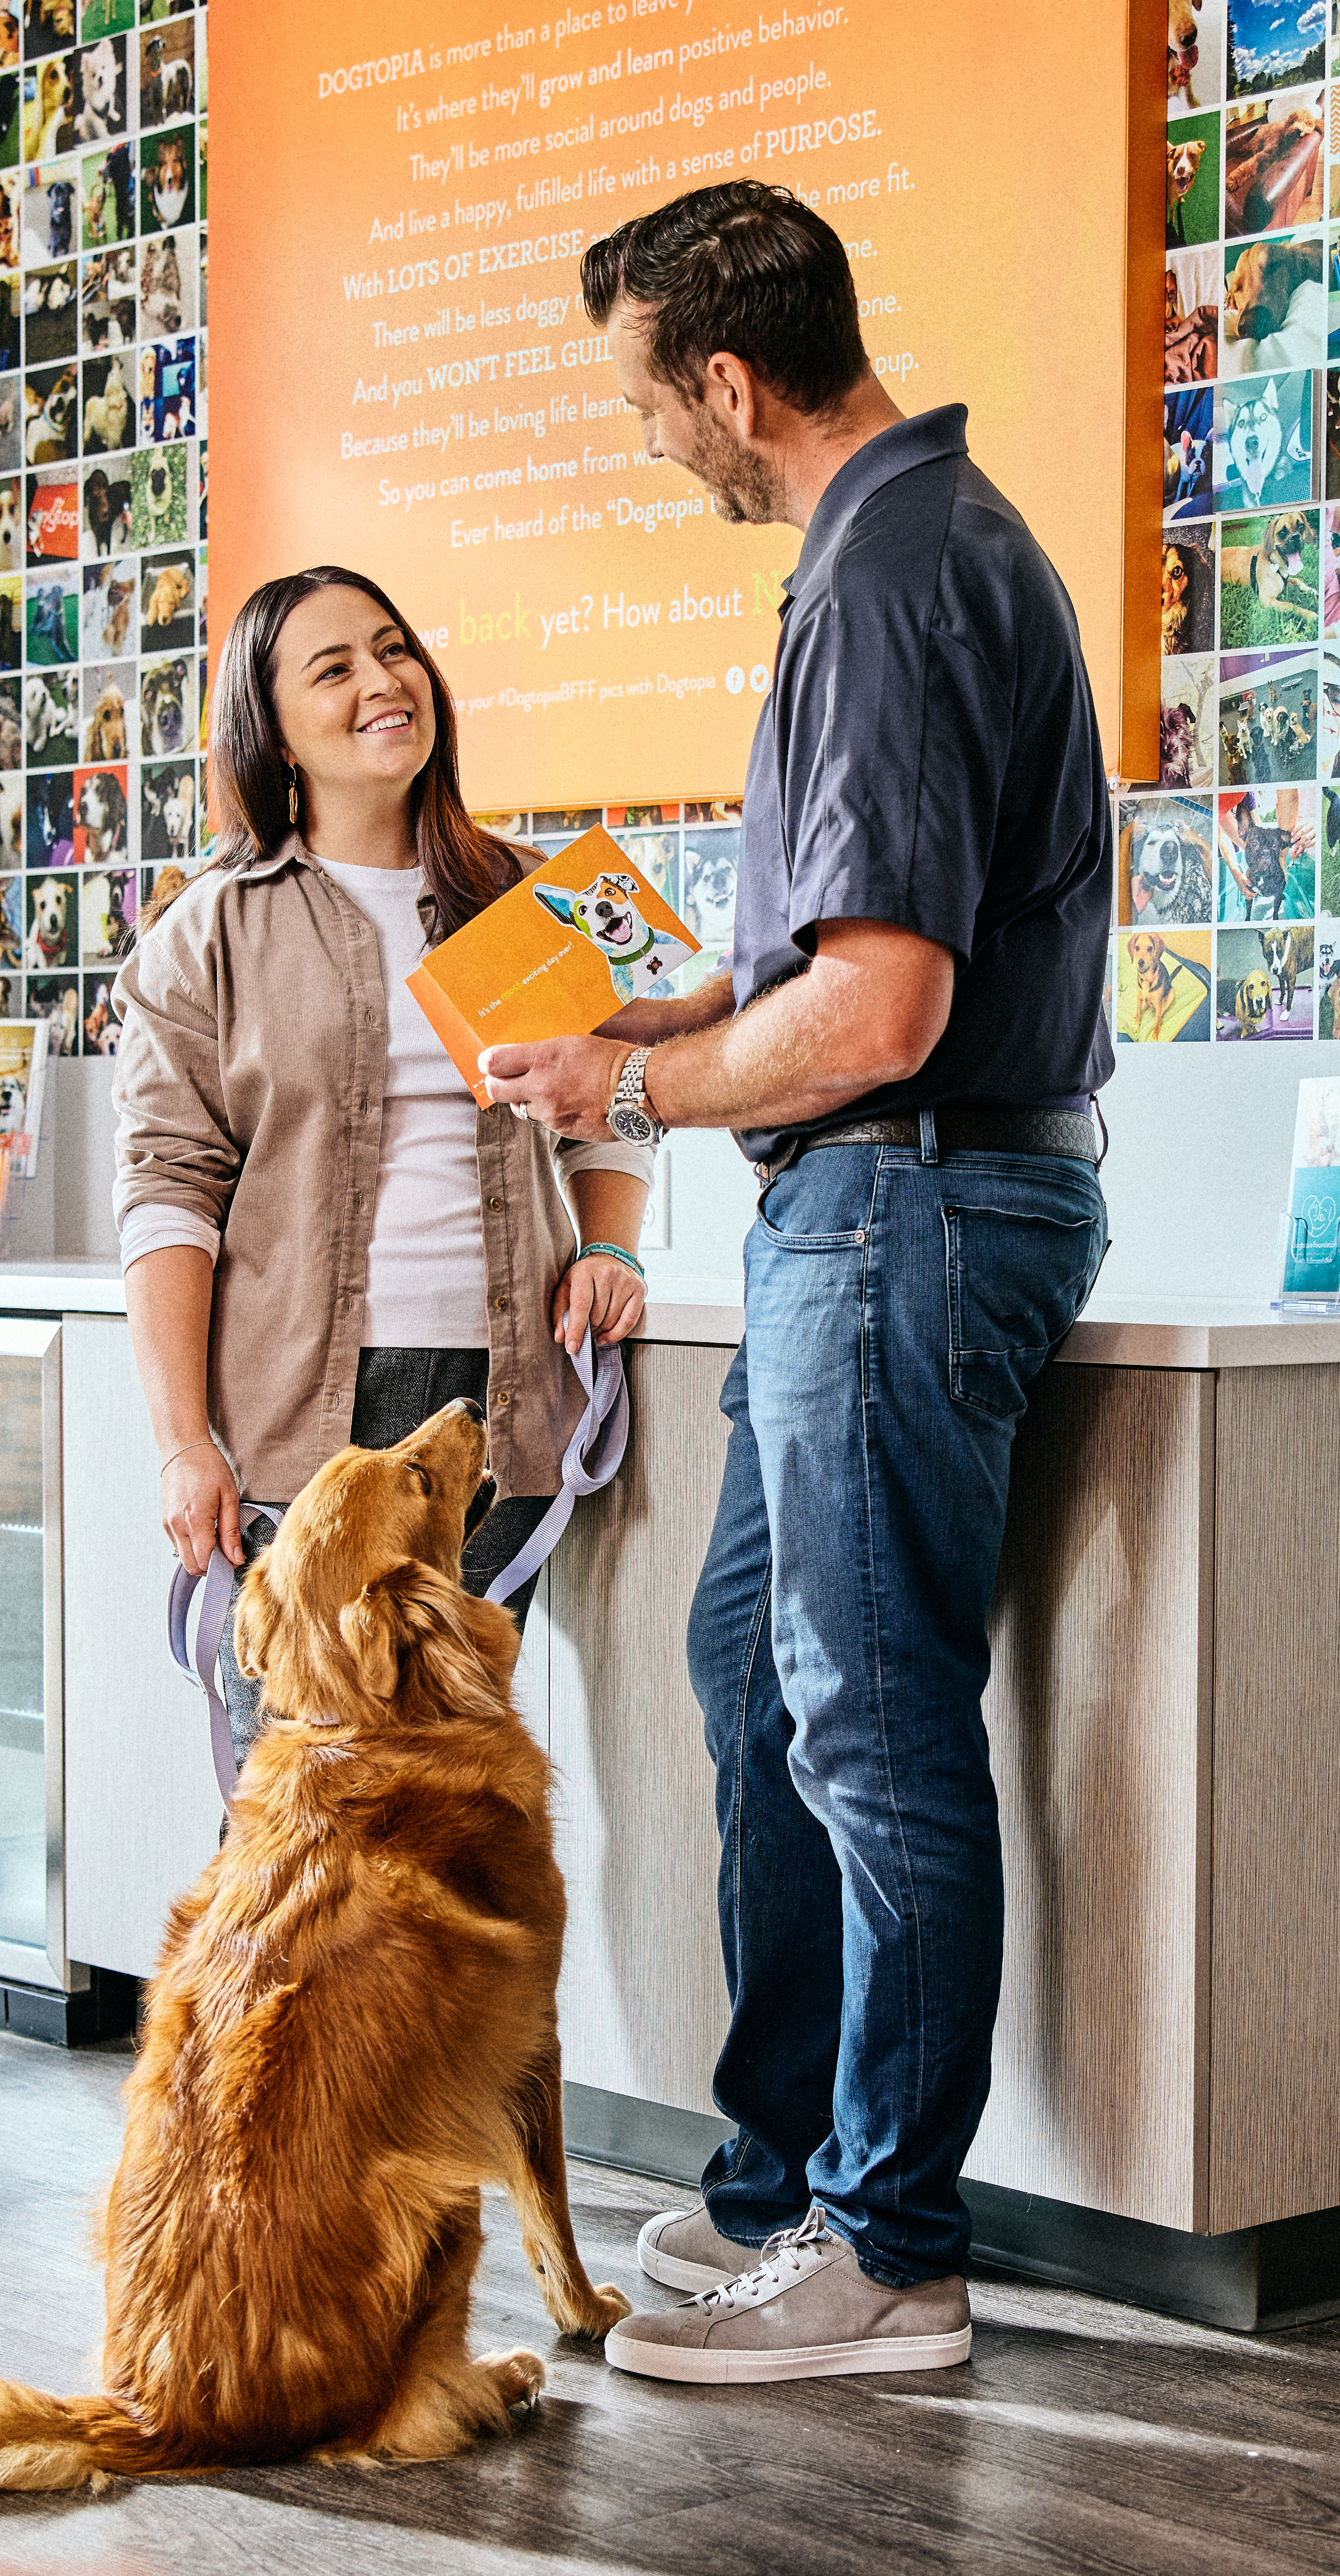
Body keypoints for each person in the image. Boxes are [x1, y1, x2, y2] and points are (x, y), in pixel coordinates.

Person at [480, 182, 1113, 2387]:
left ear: (727, 384)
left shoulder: (891, 575)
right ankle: (779, 2188)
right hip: (882, 1205)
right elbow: (826, 986)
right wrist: (656, 1032)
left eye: (648, 408)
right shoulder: (916, 552)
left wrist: (636, 1101)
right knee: (764, 1666)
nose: (656, 448)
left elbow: (882, 1013)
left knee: (865, 1718)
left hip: (904, 1205)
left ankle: (886, 2251)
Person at [109, 566, 652, 1770]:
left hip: (502, 1404)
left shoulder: (519, 898)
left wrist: (609, 1243)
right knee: (296, 1807)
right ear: (273, 728)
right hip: (300, 1418)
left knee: (449, 1798)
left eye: (393, 649)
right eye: (334, 667)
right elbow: (167, 1191)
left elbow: (610, 1108)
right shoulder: (209, 930)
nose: (382, 682)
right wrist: (180, 1438)